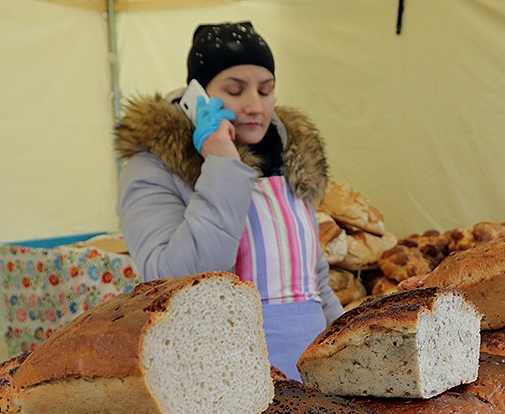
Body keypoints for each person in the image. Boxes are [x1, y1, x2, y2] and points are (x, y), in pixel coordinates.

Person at [115, 21, 343, 380]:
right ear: (199, 96)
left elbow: (316, 283)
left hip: (311, 380)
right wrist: (221, 163)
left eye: (266, 90)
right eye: (236, 90)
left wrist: (345, 344)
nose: (256, 106)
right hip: (224, 383)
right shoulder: (153, 169)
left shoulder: (291, 161)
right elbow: (170, 281)